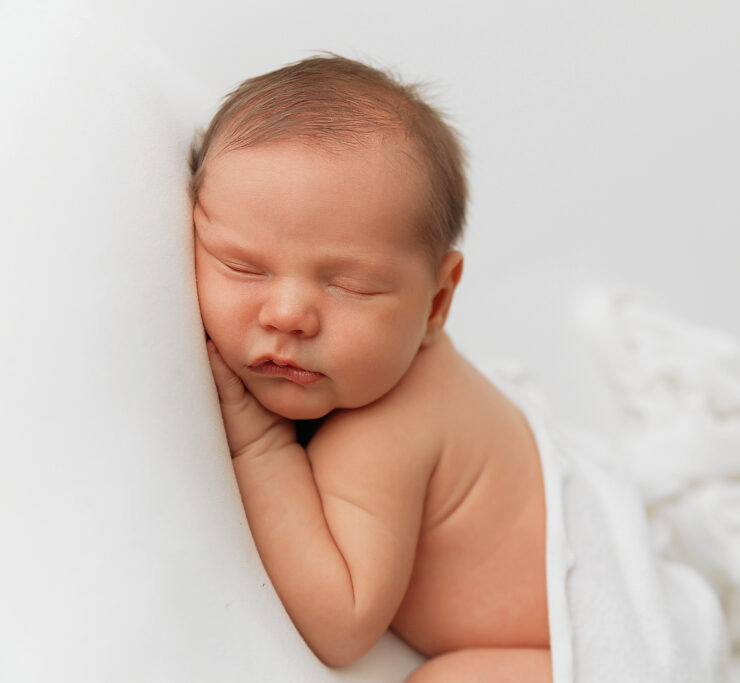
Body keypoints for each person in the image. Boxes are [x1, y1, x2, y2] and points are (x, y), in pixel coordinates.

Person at [190, 54, 551, 681]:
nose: (289, 314)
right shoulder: (359, 373)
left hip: (550, 639)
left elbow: (345, 622)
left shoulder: (388, 427)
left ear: (437, 302)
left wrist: (259, 448)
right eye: (243, 267)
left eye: (351, 286)